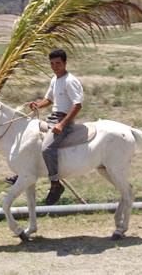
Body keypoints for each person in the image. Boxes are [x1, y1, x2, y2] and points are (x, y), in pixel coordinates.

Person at [5, 49, 84, 205]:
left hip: (63, 121)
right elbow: (48, 99)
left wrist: (62, 124)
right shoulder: (55, 79)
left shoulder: (70, 80)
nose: (55, 66)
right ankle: (24, 172)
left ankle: (55, 184)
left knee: (47, 148)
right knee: (30, 137)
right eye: (52, 64)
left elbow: (78, 105)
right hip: (52, 118)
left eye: (58, 63)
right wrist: (38, 105)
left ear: (65, 63)